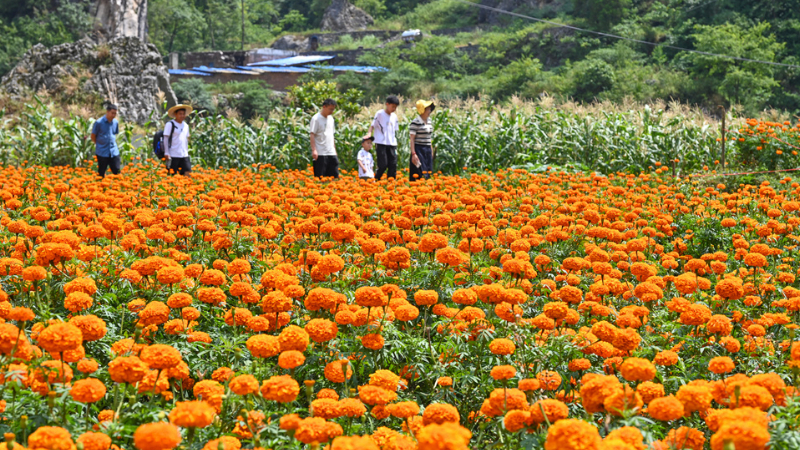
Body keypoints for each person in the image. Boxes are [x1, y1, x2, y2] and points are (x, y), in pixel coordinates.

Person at [369, 95, 399, 180]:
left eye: (395, 107)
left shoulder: (394, 117)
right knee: (383, 165)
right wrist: (369, 134)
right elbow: (372, 125)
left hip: (392, 144)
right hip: (381, 143)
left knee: (393, 165)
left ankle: (391, 183)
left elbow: (395, 130)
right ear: (387, 104)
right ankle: (376, 180)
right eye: (393, 106)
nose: (394, 109)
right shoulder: (380, 114)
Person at [310, 98, 339, 179]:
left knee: (334, 177)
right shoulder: (316, 119)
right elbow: (312, 134)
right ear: (324, 107)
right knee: (320, 177)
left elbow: (332, 135)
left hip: (331, 152)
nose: (332, 111)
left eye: (333, 109)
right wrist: (314, 150)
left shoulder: (331, 119)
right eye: (330, 109)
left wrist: (334, 150)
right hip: (320, 153)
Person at [163, 104, 194, 176]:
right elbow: (166, 138)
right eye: (180, 114)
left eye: (183, 114)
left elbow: (186, 139)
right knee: (173, 175)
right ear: (175, 114)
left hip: (184, 154)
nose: (182, 116)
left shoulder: (186, 125)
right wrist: (166, 152)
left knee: (188, 173)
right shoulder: (170, 124)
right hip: (173, 154)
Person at [409, 100, 435, 181]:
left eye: (430, 109)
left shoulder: (429, 121)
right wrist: (414, 154)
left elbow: (429, 137)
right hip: (419, 149)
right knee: (419, 171)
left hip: (427, 149)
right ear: (422, 110)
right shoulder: (415, 122)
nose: (430, 111)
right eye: (428, 109)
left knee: (428, 171)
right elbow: (412, 139)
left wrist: (431, 150)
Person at [91, 104, 120, 177]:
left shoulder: (115, 122)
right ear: (107, 111)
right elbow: (93, 136)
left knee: (117, 171)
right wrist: (99, 144)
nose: (113, 115)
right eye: (112, 113)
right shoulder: (99, 122)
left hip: (113, 151)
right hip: (102, 152)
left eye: (115, 113)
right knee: (101, 173)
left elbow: (114, 134)